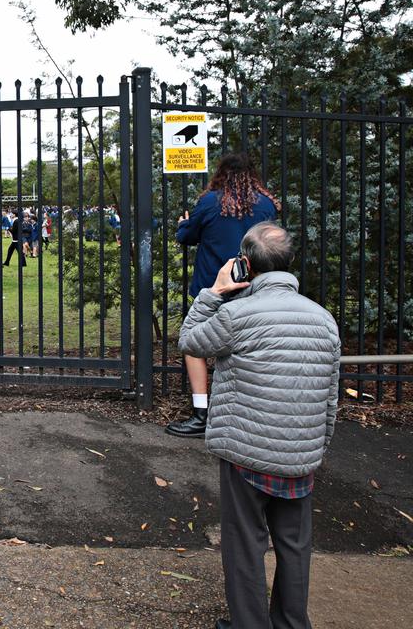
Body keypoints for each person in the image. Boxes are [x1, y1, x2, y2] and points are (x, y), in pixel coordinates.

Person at [178, 223, 340, 629]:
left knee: (245, 542)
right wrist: (316, 447)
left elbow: (191, 341)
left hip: (246, 452)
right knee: (295, 544)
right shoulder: (324, 321)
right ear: (288, 263)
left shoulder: (237, 314)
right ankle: (290, 621)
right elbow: (331, 398)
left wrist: (213, 293)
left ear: (245, 265)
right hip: (302, 452)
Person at [167, 152, 280, 438]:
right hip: (254, 288)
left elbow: (186, 237)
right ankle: (244, 412)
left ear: (220, 174)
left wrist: (183, 223)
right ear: (253, 174)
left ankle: (201, 413)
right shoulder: (266, 205)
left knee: (194, 344)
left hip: (213, 286)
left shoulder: (209, 202)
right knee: (247, 348)